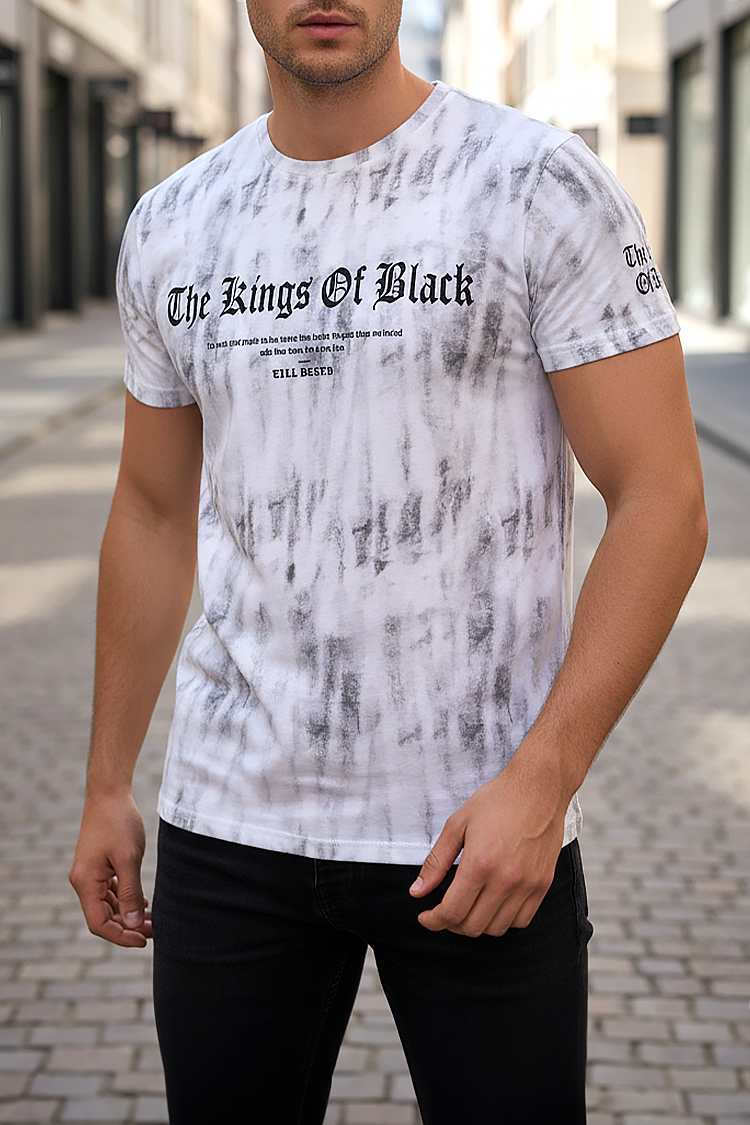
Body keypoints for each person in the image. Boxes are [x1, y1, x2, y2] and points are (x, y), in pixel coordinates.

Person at [69, 1, 708, 1121]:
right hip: (230, 826)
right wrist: (107, 781)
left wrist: (544, 782)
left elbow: (663, 498)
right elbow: (154, 509)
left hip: (483, 832)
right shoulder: (174, 222)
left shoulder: (534, 185)